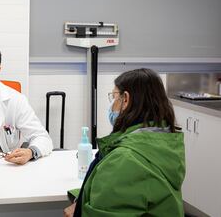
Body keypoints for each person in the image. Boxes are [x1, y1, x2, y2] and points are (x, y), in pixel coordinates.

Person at [64, 68, 185, 217]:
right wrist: (80, 198)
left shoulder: (125, 159)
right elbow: (131, 193)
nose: (112, 104)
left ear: (125, 99)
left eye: (114, 97)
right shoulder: (164, 142)